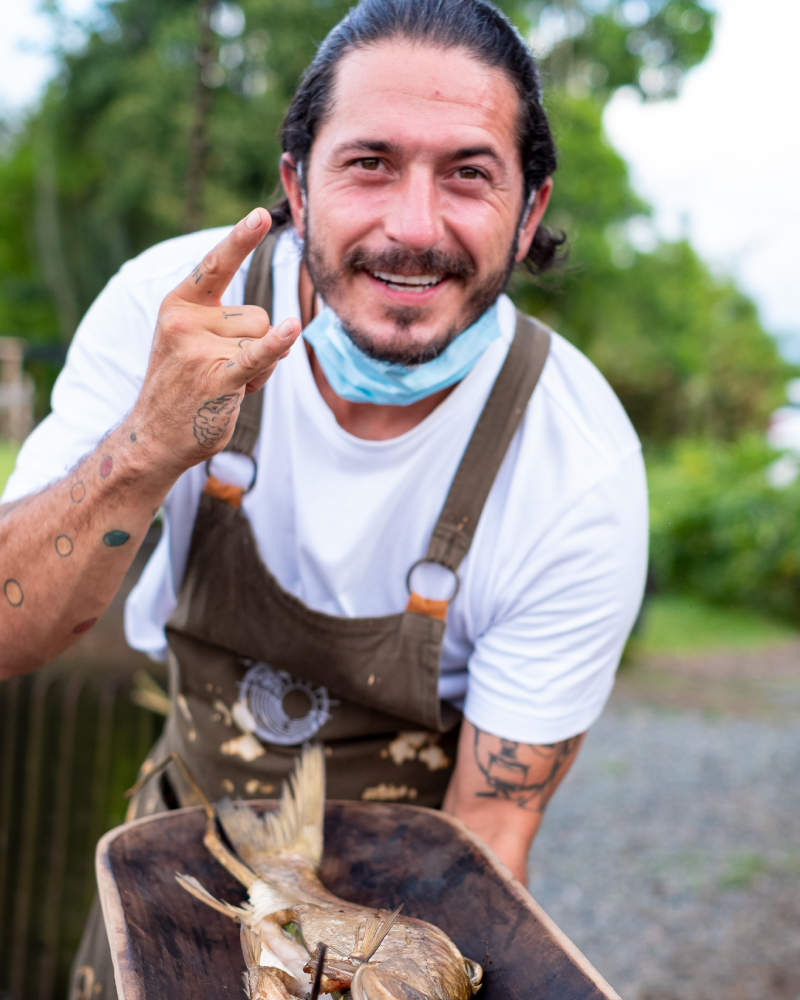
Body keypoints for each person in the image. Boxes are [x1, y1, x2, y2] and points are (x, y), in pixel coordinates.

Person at [1, 1, 647, 993]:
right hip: (167, 904)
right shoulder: (168, 311)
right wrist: (146, 445)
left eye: (468, 174)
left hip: (399, 932)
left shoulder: (576, 470)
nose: (413, 227)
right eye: (369, 163)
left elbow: (486, 847)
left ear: (528, 211)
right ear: (296, 182)